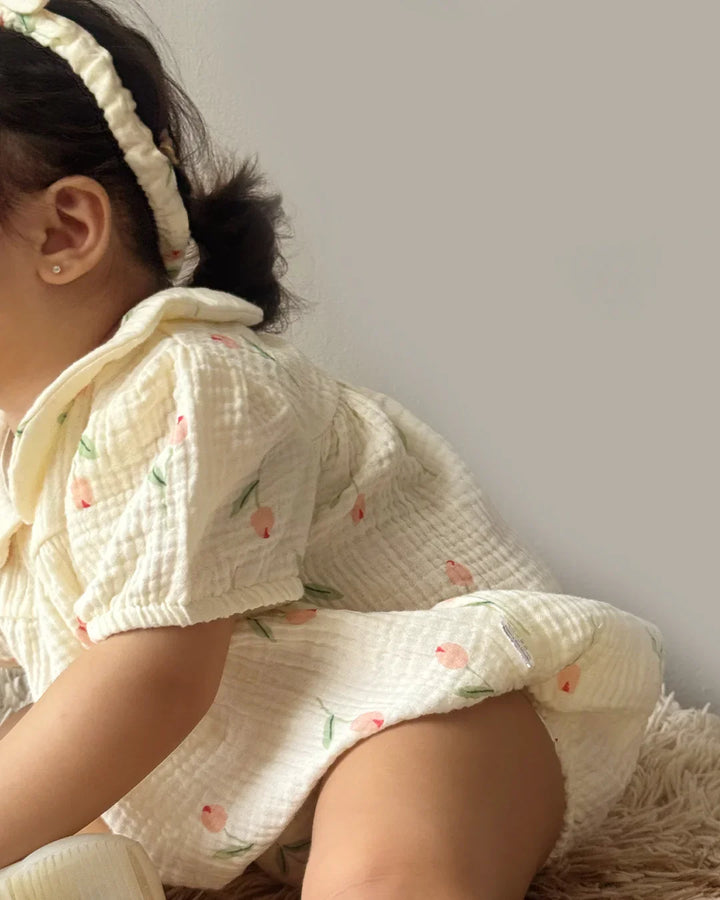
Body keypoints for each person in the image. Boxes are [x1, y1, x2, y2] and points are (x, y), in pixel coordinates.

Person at [0, 1, 664, 898]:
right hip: (226, 780)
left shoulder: (191, 378)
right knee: (52, 801)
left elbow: (148, 681)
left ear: (64, 232)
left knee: (396, 840)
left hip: (414, 705)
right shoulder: (27, 453)